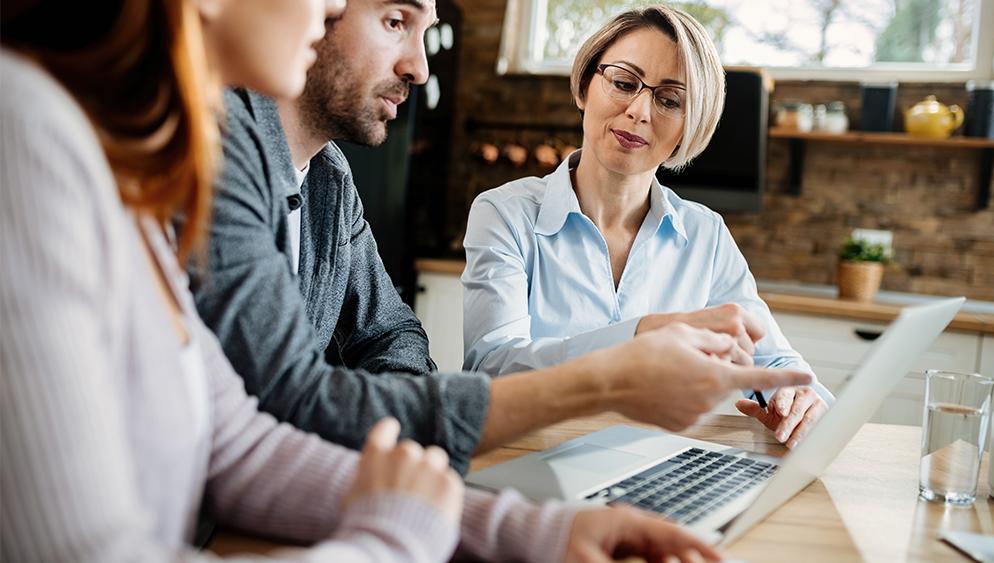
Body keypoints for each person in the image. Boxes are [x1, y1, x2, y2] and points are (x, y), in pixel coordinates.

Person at [0, 1, 729, 561]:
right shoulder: (31, 136)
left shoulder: (119, 158)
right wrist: (395, 534)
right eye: (391, 20)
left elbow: (240, 441)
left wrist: (529, 530)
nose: (326, 9)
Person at [190, 0, 814, 474]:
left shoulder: (329, 175)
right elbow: (293, 396)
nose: (420, 66)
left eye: (670, 99)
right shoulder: (221, 144)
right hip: (523, 463)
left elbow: (392, 335)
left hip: (649, 467)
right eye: (394, 22)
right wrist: (627, 354)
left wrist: (798, 394)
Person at [463, 5, 832, 449]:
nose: (639, 111)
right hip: (532, 462)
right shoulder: (504, 214)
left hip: (658, 464)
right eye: (623, 83)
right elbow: (491, 369)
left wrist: (796, 398)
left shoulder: (705, 235)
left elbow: (771, 357)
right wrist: (638, 337)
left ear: (688, 127)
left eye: (670, 100)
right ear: (585, 86)